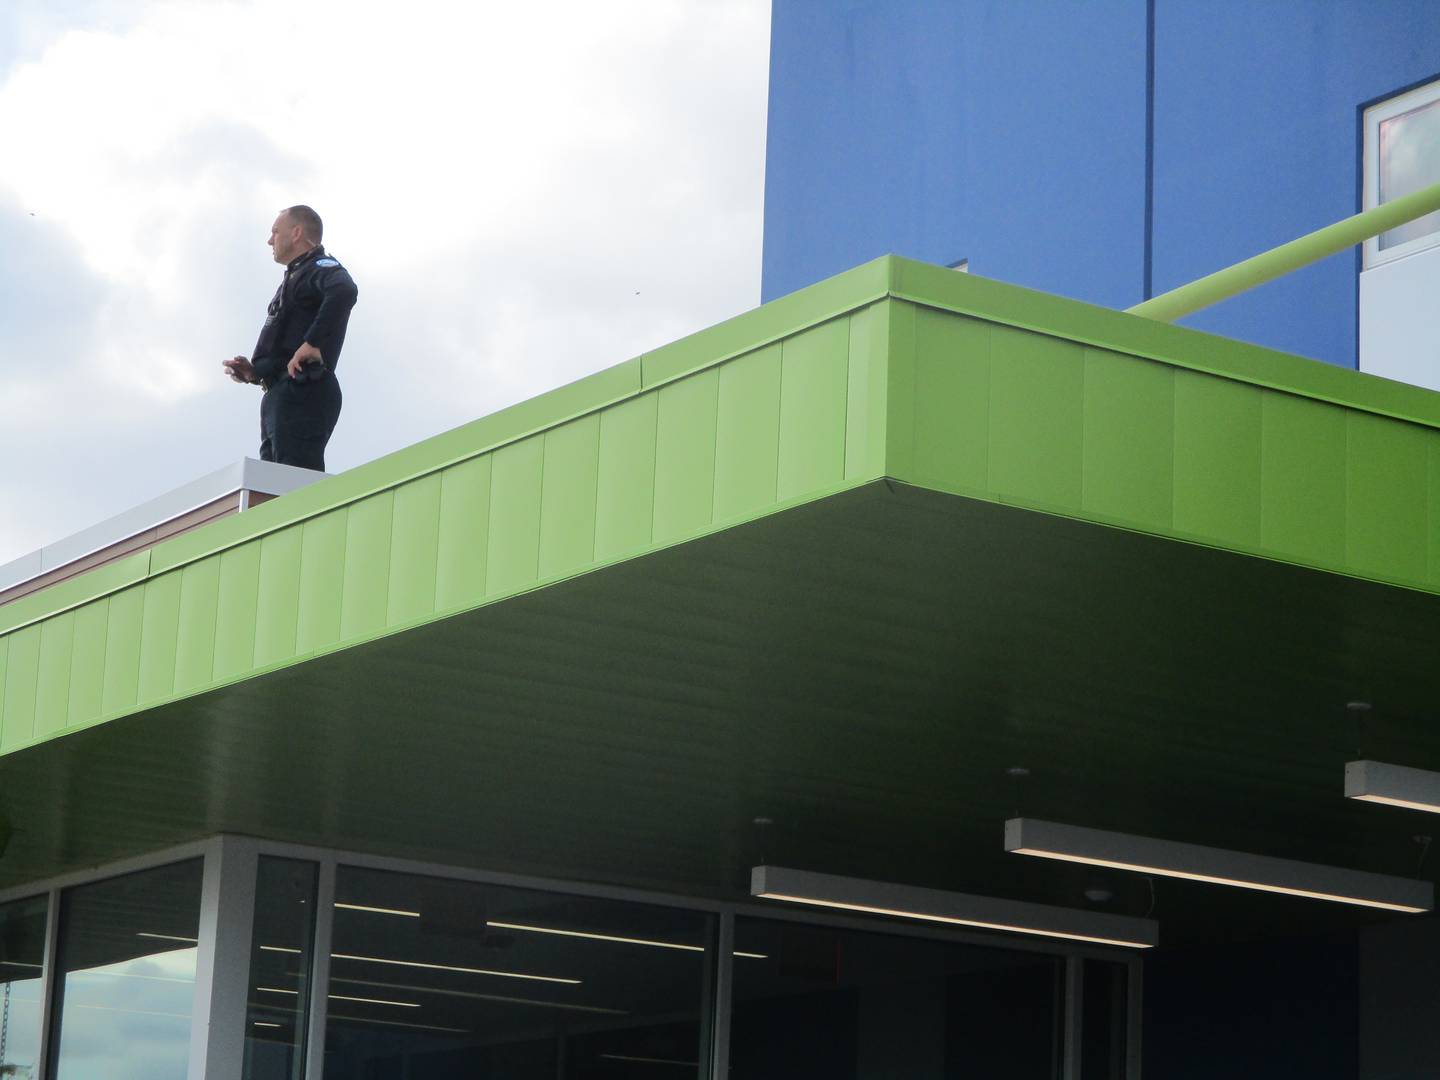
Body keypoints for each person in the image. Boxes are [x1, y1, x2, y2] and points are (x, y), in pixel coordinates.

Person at [223, 205, 358, 471]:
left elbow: (344, 290)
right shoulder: (297, 275)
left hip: (304, 389)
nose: (270, 240)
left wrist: (313, 342)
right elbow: (285, 345)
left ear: (296, 233)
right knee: (272, 484)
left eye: (275, 231)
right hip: (280, 393)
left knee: (293, 482)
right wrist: (254, 372)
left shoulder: (319, 267)